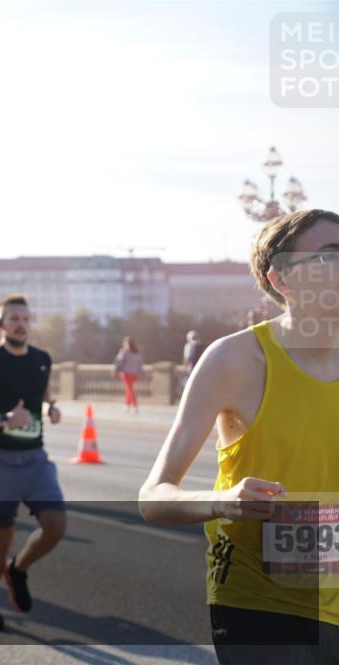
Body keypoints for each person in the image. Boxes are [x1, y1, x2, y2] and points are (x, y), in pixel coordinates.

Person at [140, 209, 339, 664]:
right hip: (260, 603)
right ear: (283, 281)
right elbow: (153, 497)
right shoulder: (235, 360)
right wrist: (225, 500)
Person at [0, 294, 65, 631]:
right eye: (13, 318)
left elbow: (44, 394)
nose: (20, 323)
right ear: (0, 324)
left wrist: (51, 408)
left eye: (25, 318)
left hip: (35, 458)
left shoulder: (42, 359)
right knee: (1, 539)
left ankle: (18, 569)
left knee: (56, 526)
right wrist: (5, 418)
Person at [113, 337, 144, 414]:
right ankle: (127, 405)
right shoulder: (137, 353)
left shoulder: (124, 352)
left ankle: (134, 406)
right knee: (129, 389)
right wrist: (140, 373)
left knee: (130, 390)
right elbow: (140, 365)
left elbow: (118, 361)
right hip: (134, 374)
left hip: (127, 373)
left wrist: (115, 370)